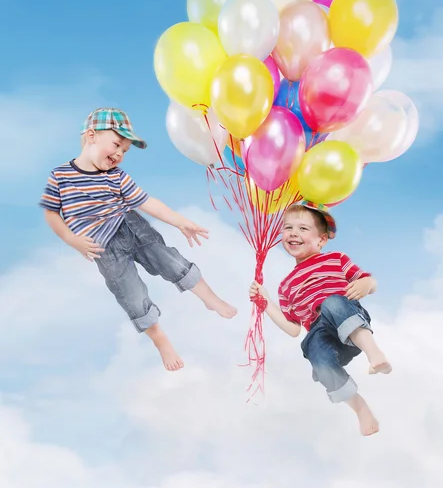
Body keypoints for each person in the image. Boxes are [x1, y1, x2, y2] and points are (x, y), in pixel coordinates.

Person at [40, 107, 237, 372]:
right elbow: (51, 213)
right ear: (91, 136)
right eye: (117, 144)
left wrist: (181, 221)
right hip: (104, 248)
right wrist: (72, 240)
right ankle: (161, 340)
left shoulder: (116, 177)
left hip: (130, 226)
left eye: (125, 150)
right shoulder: (61, 176)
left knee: (170, 260)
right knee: (132, 296)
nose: (120, 154)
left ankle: (210, 298)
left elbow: (147, 202)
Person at [249, 200, 391, 436]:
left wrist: (366, 284)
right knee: (318, 359)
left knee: (331, 302)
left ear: (321, 240)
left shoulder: (335, 258)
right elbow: (294, 329)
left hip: (347, 318)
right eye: (288, 228)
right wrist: (266, 304)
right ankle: (360, 408)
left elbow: (369, 281)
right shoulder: (285, 286)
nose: (293, 233)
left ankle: (374, 353)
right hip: (320, 333)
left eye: (303, 229)